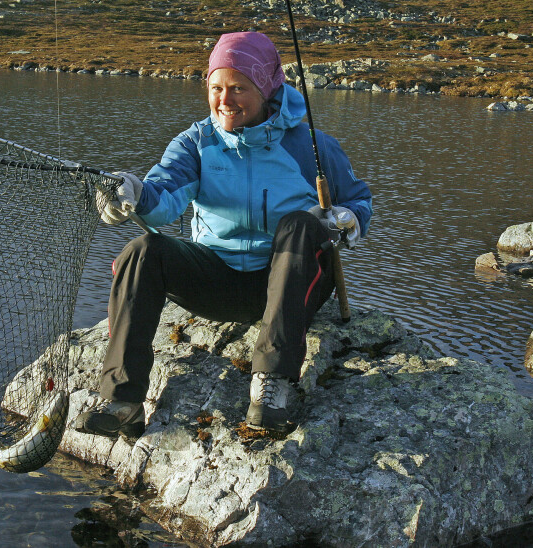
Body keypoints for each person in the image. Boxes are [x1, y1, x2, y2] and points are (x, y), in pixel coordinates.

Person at [75, 31, 373, 438]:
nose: (224, 100)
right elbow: (163, 197)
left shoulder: (311, 147)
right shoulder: (197, 142)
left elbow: (360, 201)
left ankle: (272, 386)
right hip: (217, 282)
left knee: (301, 224)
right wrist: (131, 193)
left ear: (267, 88)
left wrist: (347, 219)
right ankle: (123, 399)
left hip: (289, 285)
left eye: (238, 88)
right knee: (143, 250)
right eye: (216, 87)